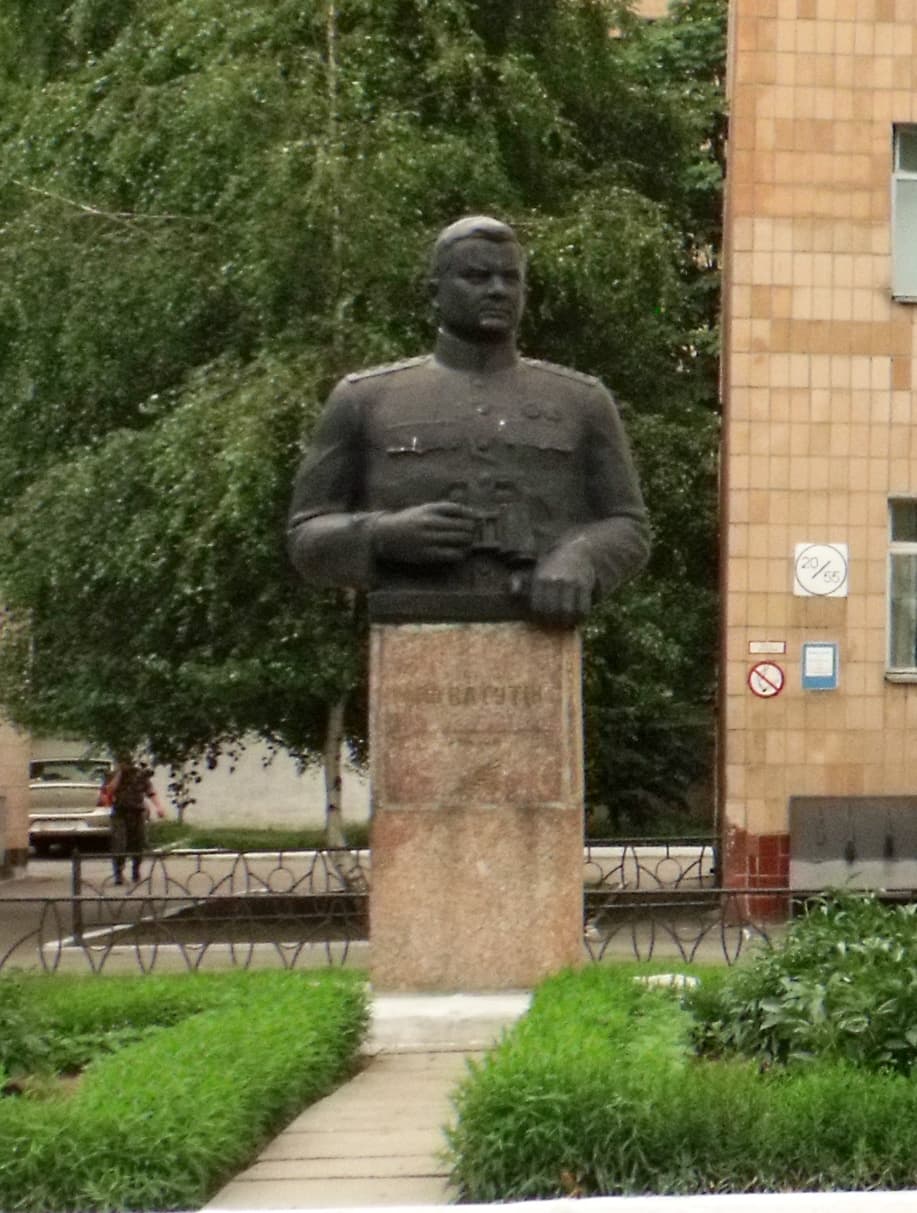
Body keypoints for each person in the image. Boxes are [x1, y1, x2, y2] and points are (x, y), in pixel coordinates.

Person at [287, 215, 649, 627]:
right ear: (435, 292)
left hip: (539, 632)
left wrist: (581, 556)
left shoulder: (581, 400)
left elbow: (629, 525)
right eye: (476, 277)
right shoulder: (364, 398)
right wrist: (383, 535)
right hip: (410, 629)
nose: (497, 290)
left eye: (509, 278)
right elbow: (305, 536)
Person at [103, 753, 167, 886]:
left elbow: (150, 792)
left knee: (138, 843)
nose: (128, 766)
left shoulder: (140, 775)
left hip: (137, 812)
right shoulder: (113, 775)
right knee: (119, 844)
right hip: (120, 813)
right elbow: (109, 790)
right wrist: (120, 773)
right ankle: (118, 873)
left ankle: (136, 870)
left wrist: (159, 807)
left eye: (129, 763)